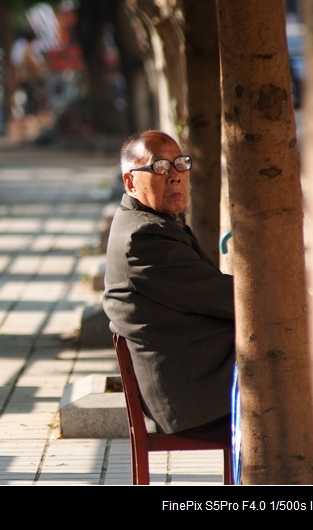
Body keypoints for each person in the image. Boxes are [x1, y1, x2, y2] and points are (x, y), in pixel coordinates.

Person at [102, 130, 235, 444]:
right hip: (196, 399)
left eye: (179, 164)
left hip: (203, 377)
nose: (174, 176)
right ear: (130, 181)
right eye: (159, 167)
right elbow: (226, 298)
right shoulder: (144, 238)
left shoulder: (153, 221)